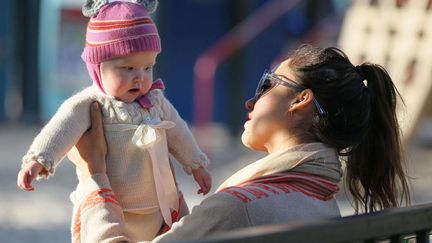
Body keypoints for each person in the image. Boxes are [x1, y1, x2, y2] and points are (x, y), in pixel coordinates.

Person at [71, 44, 411, 242]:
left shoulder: (239, 207)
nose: (251, 102)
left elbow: (229, 216)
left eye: (267, 84)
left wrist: (95, 177)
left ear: (300, 100)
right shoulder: (318, 203)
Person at [16, 0, 211, 241]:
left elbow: (179, 132)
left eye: (148, 67)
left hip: (161, 209)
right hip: (113, 210)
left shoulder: (155, 101)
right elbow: (61, 127)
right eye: (127, 68)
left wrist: (195, 164)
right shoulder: (91, 104)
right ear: (97, 67)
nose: (139, 78)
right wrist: (39, 160)